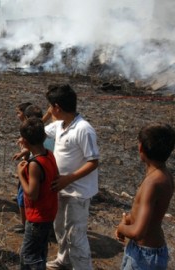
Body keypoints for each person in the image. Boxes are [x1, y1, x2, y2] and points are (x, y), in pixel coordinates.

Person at [45, 83, 99, 270]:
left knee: (75, 235)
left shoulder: (84, 129)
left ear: (58, 108)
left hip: (78, 192)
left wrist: (68, 178)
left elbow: (93, 161)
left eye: (51, 106)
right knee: (60, 227)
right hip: (61, 188)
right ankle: (64, 260)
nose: (50, 110)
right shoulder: (59, 125)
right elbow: (39, 129)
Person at [115, 124, 175, 270]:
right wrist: (129, 219)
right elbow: (153, 214)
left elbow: (138, 232)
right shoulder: (164, 175)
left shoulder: (153, 182)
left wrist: (121, 227)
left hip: (143, 256)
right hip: (152, 252)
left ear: (140, 147)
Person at [17, 117, 59, 269]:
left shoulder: (35, 165)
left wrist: (21, 174)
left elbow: (31, 194)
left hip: (37, 217)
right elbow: (55, 179)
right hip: (49, 212)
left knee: (28, 256)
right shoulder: (49, 154)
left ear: (26, 142)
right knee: (40, 251)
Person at [12, 102, 32, 233]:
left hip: (27, 166)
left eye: (18, 112)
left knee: (22, 197)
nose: (17, 115)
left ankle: (24, 224)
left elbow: (31, 147)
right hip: (27, 163)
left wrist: (23, 153)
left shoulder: (29, 130)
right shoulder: (31, 128)